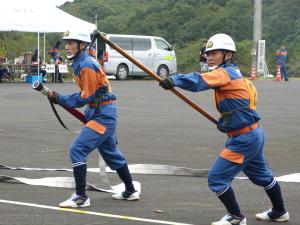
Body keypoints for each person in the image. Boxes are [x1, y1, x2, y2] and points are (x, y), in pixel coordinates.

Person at [160, 33, 289, 225]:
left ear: (228, 55)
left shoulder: (224, 73)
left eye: (214, 53)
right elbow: (242, 107)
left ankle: (236, 217)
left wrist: (175, 80)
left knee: (217, 178)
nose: (209, 57)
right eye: (208, 53)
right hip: (252, 133)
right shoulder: (235, 74)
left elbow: (198, 81)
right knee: (262, 176)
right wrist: (227, 122)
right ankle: (280, 212)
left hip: (244, 139)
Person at [47, 30, 139, 208]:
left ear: (82, 45)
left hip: (103, 116)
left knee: (77, 149)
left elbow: (85, 97)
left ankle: (81, 197)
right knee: (111, 154)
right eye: (67, 43)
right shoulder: (81, 62)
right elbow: (89, 97)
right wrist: (60, 98)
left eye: (72, 42)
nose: (67, 46)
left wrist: (60, 98)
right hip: (99, 112)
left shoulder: (87, 65)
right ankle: (130, 190)